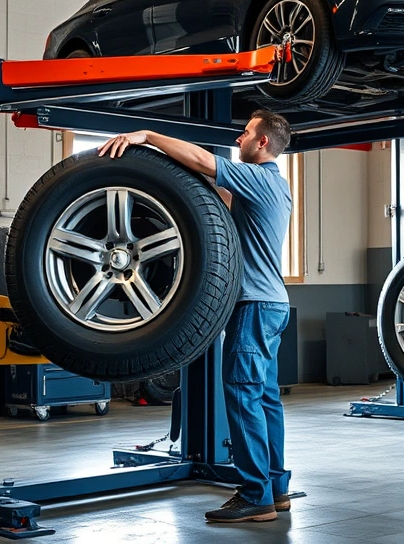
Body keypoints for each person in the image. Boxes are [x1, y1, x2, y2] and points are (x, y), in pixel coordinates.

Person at [98, 110, 294, 523]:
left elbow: (205, 161)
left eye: (244, 132)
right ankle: (276, 489)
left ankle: (255, 496)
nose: (239, 138)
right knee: (265, 398)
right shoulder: (277, 185)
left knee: (242, 395)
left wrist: (147, 135)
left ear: (262, 143)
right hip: (273, 304)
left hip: (253, 305)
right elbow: (218, 200)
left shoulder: (257, 178)